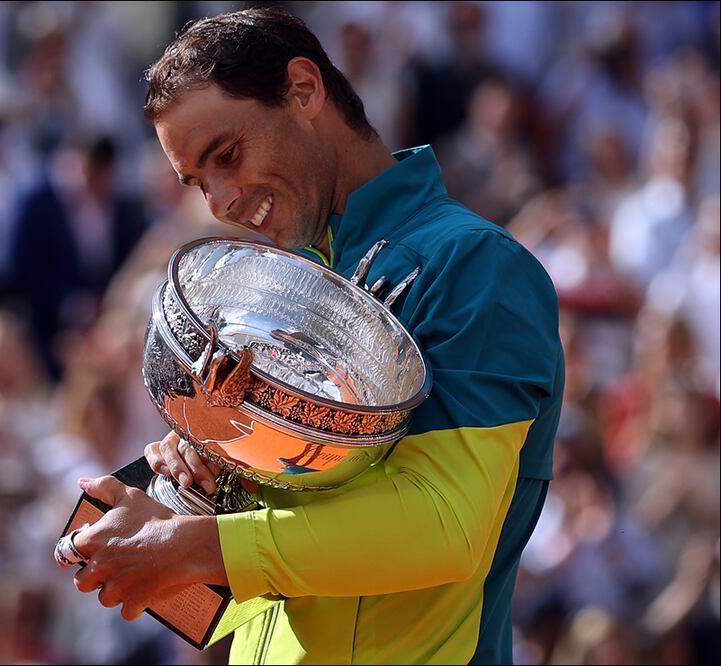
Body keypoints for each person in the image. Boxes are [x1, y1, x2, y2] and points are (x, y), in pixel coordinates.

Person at [58, 7, 564, 665]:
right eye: (195, 181)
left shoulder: (472, 264)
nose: (218, 203)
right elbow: (234, 606)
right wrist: (180, 502)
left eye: (227, 155)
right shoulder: (285, 291)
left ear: (303, 90)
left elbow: (447, 528)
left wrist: (198, 546)